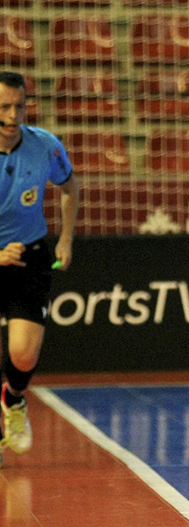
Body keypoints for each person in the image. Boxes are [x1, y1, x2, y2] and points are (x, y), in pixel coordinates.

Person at [0, 71, 79, 462]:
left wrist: (65, 238)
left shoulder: (45, 145)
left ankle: (13, 400)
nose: (13, 116)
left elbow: (68, 187)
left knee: (23, 354)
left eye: (19, 106)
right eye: (4, 107)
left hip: (29, 255)